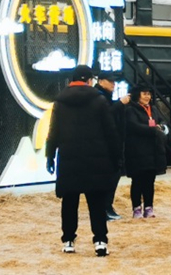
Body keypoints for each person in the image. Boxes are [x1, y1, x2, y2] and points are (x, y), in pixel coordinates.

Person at [45, 65, 122, 256]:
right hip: (96, 159)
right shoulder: (99, 101)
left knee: (69, 201)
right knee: (96, 201)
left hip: (69, 158)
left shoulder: (60, 102)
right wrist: (116, 157)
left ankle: (69, 240)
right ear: (89, 80)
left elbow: (53, 132)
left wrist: (49, 155)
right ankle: (100, 241)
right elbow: (110, 132)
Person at [124, 84, 167, 218]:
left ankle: (149, 207)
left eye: (149, 94)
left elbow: (161, 120)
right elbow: (133, 126)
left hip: (153, 150)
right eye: (144, 94)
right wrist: (154, 130)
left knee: (150, 181)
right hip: (137, 151)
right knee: (137, 181)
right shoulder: (131, 109)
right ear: (137, 95)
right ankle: (136, 208)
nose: (147, 96)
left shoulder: (153, 108)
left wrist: (163, 127)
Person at [95, 71, 130, 221]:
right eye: (110, 81)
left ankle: (107, 206)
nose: (113, 84)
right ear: (100, 81)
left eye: (114, 82)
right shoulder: (97, 96)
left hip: (113, 142)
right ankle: (104, 208)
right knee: (107, 177)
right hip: (103, 144)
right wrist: (120, 104)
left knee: (114, 175)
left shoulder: (106, 96)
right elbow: (105, 116)